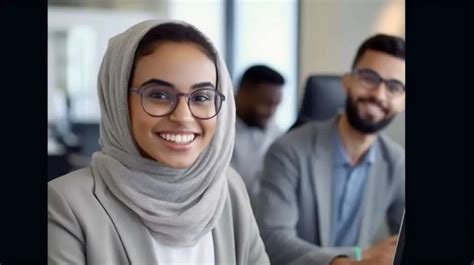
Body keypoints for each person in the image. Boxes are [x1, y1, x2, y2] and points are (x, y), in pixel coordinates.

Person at [48, 20, 270, 265]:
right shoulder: (66, 203)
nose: (183, 117)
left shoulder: (227, 188)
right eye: (159, 95)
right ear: (119, 100)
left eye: (201, 97)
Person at [256, 34, 405, 265]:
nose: (378, 94)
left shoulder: (397, 162)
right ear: (346, 82)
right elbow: (272, 241)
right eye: (369, 78)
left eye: (394, 87)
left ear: (404, 101)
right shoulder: (288, 150)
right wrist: (357, 258)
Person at [231, 65, 285, 199]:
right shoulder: (216, 130)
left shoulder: (276, 133)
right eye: (265, 103)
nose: (271, 111)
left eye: (276, 104)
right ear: (243, 92)